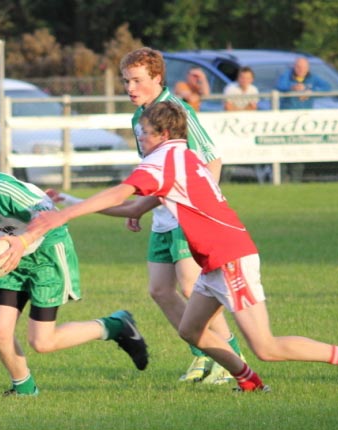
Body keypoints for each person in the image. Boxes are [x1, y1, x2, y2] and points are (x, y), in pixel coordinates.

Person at [26, 101, 338, 392]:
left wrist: (63, 216)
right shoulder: (181, 157)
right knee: (191, 330)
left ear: (162, 134)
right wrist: (69, 203)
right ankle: (249, 382)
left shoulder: (163, 159)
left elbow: (120, 194)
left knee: (266, 347)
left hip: (230, 258)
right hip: (214, 261)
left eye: (143, 133)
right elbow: (133, 208)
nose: (140, 139)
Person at [0, 141, 149, 396]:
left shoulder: (1, 189)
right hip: (11, 256)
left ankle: (115, 325)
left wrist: (23, 242)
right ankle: (24, 389)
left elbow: (47, 213)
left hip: (46, 250)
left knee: (42, 342)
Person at [116, 47, 244, 384]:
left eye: (137, 80)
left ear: (158, 78)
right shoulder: (138, 116)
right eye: (126, 80)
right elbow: (156, 166)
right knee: (159, 290)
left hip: (187, 214)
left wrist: (197, 206)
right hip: (161, 213)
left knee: (192, 286)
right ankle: (202, 355)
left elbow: (212, 158)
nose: (130, 87)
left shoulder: (179, 110)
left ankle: (230, 357)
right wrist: (140, 204)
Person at [276, 57, 331, 182]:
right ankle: (281, 177)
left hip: (303, 121)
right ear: (294, 67)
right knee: (283, 148)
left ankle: (296, 179)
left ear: (308, 68)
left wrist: (310, 91)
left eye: (304, 67)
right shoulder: (286, 76)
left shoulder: (312, 78)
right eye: (298, 67)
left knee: (299, 149)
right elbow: (280, 86)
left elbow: (327, 87)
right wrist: (293, 87)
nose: (301, 70)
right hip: (286, 121)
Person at [223, 67, 271, 183]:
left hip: (247, 127)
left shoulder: (253, 90)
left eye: (247, 78)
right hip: (230, 127)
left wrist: (238, 110)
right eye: (242, 77)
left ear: (252, 79)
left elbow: (253, 108)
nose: (244, 80)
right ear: (238, 78)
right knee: (228, 153)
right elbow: (228, 108)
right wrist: (243, 110)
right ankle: (224, 179)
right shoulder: (230, 89)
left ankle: (261, 178)